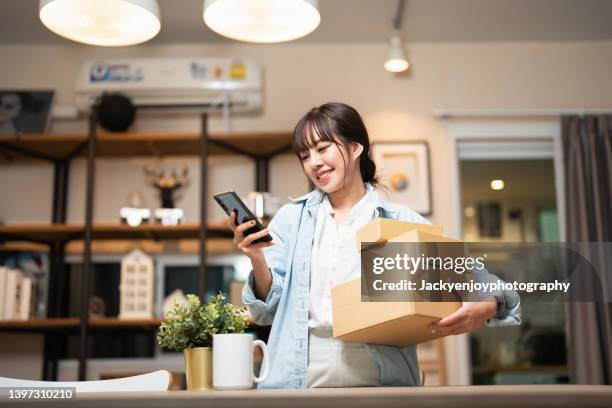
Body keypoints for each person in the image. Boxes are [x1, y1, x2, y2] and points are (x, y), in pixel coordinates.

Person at [225, 102, 520, 388]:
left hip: (381, 375)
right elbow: (266, 312)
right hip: (299, 374)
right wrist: (256, 259)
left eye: (323, 148)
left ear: (355, 148)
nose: (313, 162)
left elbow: (483, 282)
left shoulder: (401, 221)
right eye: (305, 155)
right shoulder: (291, 220)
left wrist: (487, 305)